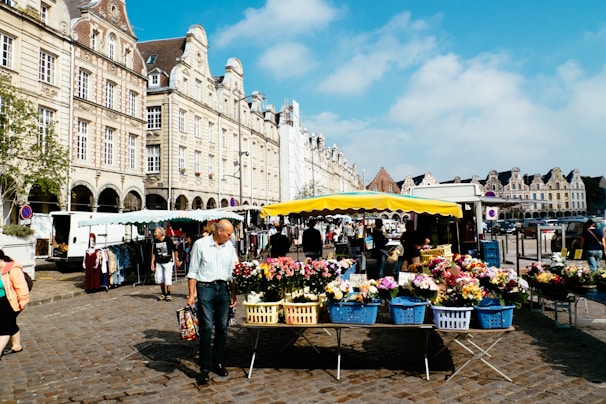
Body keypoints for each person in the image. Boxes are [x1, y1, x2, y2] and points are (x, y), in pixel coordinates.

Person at [186, 219, 238, 385]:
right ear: (220, 231)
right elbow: (193, 270)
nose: (231, 237)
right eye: (229, 234)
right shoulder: (200, 245)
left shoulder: (229, 246)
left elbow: (233, 271)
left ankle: (218, 362)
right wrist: (191, 295)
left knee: (222, 328)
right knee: (207, 328)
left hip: (223, 288)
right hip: (205, 288)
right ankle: (205, 368)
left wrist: (233, 293)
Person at [0, 250, 29, 358]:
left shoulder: (13, 269)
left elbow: (21, 286)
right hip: (1, 302)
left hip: (11, 302)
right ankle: (16, 346)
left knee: (3, 327)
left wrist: (23, 300)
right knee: (10, 323)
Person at [150, 227, 180, 301]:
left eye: (156, 232)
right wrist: (152, 263)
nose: (155, 234)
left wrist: (177, 260)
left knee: (167, 277)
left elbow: (175, 250)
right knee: (160, 278)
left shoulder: (168, 240)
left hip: (168, 261)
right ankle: (163, 293)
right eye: (154, 232)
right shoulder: (155, 241)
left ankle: (168, 293)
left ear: (161, 233)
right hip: (159, 262)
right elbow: (154, 253)